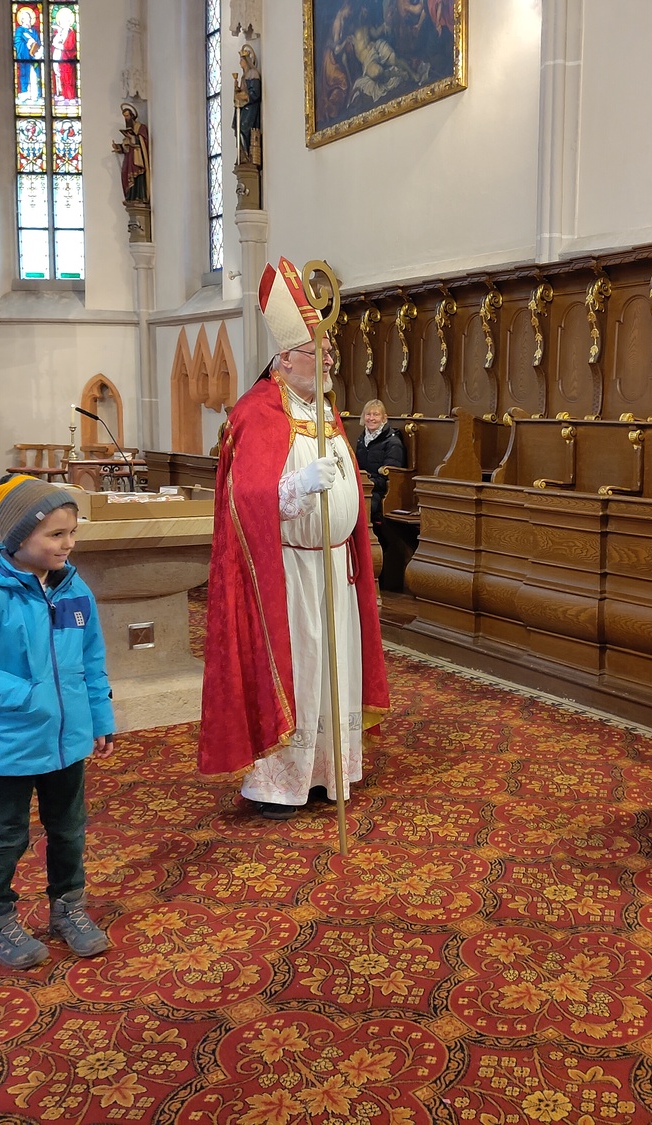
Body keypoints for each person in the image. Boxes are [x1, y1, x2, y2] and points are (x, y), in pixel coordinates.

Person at [198, 257, 390, 820]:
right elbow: (243, 500)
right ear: (285, 358)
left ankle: (329, 772)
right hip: (288, 572)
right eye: (318, 351)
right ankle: (280, 786)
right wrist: (298, 486)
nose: (329, 360)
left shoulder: (325, 409)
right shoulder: (256, 411)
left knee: (334, 669)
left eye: (329, 352)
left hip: (335, 569)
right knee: (301, 670)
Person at [0, 474, 115, 968]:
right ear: (17, 538)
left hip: (68, 738)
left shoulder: (74, 590)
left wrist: (100, 717)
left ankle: (68, 908)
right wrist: (26, 695)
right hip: (11, 740)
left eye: (72, 532)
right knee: (7, 836)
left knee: (69, 829)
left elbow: (92, 660)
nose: (68, 544)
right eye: (55, 534)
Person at [352, 398, 406, 536]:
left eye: (376, 414)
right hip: (363, 487)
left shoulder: (393, 442)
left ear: (384, 418)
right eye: (368, 414)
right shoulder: (362, 439)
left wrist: (367, 483)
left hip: (381, 492)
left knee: (355, 508)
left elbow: (391, 477)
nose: (371, 418)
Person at [111, 102, 151, 204]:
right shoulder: (129, 129)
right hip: (129, 157)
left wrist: (133, 138)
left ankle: (139, 197)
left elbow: (144, 141)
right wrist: (119, 147)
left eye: (127, 116)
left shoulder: (141, 127)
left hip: (138, 157)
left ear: (132, 116)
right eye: (124, 117)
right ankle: (131, 197)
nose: (126, 119)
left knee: (138, 175)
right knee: (125, 174)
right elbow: (126, 145)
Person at [233, 44, 261, 167]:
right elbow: (243, 91)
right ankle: (242, 155)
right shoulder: (244, 76)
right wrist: (237, 89)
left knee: (244, 128)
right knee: (237, 128)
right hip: (243, 107)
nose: (240, 63)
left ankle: (249, 156)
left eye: (241, 60)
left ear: (246, 61)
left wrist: (245, 96)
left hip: (250, 107)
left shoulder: (253, 74)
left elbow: (255, 93)